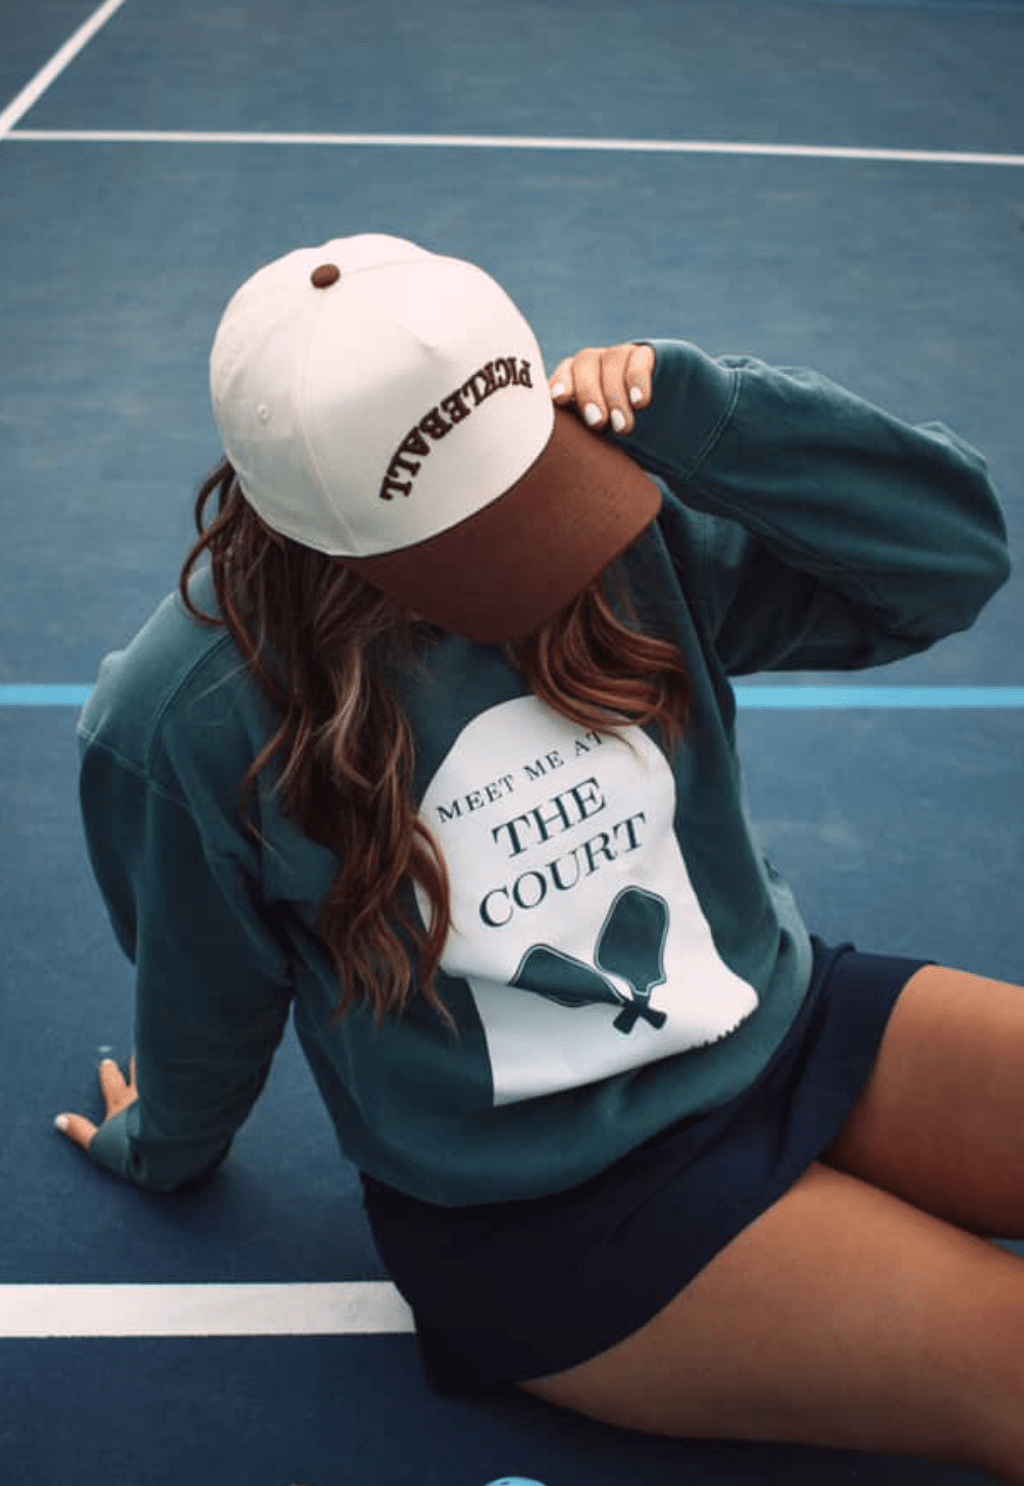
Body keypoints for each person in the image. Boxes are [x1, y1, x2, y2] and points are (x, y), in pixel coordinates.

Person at [56, 234, 1021, 1479]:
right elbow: (207, 991)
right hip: (555, 1216)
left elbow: (948, 566)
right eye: (478, 532)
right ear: (322, 530)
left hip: (782, 1027)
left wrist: (718, 419)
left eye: (530, 488)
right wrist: (164, 1145)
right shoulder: (186, 718)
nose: (545, 550)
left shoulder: (619, 529)